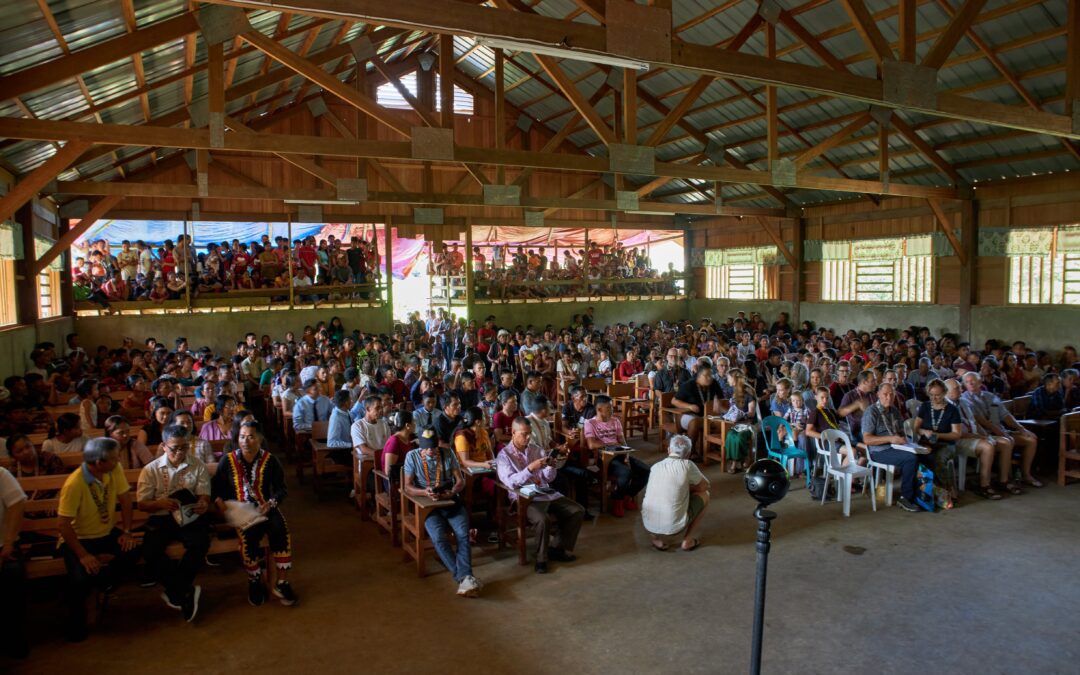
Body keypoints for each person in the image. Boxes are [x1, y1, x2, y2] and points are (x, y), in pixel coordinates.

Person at [56, 437, 139, 642]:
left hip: (106, 532)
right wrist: (83, 555)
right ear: (99, 463)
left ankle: (103, 583)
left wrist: (127, 532)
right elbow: (63, 526)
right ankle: (75, 623)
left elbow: (125, 499)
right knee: (80, 579)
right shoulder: (75, 483)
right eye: (113, 458)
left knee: (133, 551)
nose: (118, 460)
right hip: (78, 538)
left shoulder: (113, 469)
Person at [211, 421, 297, 607]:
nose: (246, 441)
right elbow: (216, 488)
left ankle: (282, 583)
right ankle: (254, 580)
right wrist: (223, 506)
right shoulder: (228, 460)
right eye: (242, 436)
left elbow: (281, 489)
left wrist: (271, 503)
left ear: (260, 439)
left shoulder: (271, 460)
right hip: (242, 511)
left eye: (251, 436)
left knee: (280, 530)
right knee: (249, 539)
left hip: (266, 508)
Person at [135, 425, 210, 622]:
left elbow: (204, 494)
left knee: (200, 542)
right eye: (174, 448)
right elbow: (142, 503)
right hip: (161, 516)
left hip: (188, 515)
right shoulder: (151, 469)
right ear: (164, 446)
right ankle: (184, 590)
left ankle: (176, 592)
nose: (179, 453)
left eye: (184, 448)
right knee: (150, 550)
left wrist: (202, 503)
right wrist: (158, 503)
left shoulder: (197, 465)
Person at [496, 417, 585, 574]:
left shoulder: (536, 449)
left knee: (577, 510)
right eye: (524, 434)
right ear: (513, 433)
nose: (528, 437)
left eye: (530, 433)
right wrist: (530, 468)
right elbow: (511, 482)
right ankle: (541, 559)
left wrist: (551, 466)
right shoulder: (504, 455)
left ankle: (557, 548)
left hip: (544, 492)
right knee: (542, 520)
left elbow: (548, 478)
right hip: (523, 498)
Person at [402, 428, 481, 597]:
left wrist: (452, 491)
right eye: (426, 447)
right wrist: (425, 492)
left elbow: (460, 481)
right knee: (438, 537)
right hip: (428, 505)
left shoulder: (447, 453)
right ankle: (464, 577)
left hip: (450, 500)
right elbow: (407, 486)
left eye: (433, 447)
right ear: (420, 445)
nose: (430, 450)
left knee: (462, 534)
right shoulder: (412, 456)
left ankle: (463, 578)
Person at [961, 371, 1042, 488]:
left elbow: (1005, 415)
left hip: (1002, 431)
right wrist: (999, 432)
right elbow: (978, 420)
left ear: (980, 382)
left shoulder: (990, 396)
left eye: (973, 381)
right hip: (986, 434)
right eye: (967, 382)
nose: (971, 384)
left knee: (1031, 439)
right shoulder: (964, 399)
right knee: (1006, 442)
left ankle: (1026, 474)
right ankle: (1003, 480)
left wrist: (1021, 428)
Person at [640, 434, 709, 552]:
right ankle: (688, 540)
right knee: (705, 495)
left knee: (653, 497)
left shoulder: (655, 467)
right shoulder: (687, 465)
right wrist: (686, 487)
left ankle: (655, 539)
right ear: (688, 454)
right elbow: (705, 486)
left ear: (669, 450)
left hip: (648, 524)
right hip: (674, 526)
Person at [584, 395, 649, 517]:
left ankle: (626, 495)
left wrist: (627, 456)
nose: (612, 410)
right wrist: (610, 443)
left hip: (620, 454)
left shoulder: (615, 421)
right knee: (626, 472)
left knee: (646, 470)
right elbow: (591, 445)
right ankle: (617, 499)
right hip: (604, 458)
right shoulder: (590, 423)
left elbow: (623, 442)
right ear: (599, 409)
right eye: (608, 408)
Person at [944, 379, 1007, 500]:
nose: (961, 390)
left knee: (1005, 442)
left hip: (974, 435)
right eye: (957, 389)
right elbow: (955, 432)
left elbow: (974, 422)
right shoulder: (944, 406)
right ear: (947, 391)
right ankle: (984, 485)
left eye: (960, 387)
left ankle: (1003, 481)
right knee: (987, 447)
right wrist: (980, 437)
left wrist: (985, 435)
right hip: (959, 439)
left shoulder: (962, 401)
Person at [912, 379, 960, 498]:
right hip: (926, 441)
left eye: (937, 395)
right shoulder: (925, 406)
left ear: (944, 393)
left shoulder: (952, 410)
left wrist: (939, 435)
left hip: (946, 444)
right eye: (931, 395)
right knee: (912, 458)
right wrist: (924, 431)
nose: (934, 398)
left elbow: (956, 434)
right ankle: (922, 490)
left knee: (938, 458)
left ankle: (945, 489)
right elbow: (916, 427)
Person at [0, 466, 28, 658]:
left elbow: (17, 504)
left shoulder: (0, 474)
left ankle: (14, 641)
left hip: (3, 547)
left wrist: (8, 543)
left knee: (12, 574)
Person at [671, 365, 725, 458]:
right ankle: (691, 451)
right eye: (706, 376)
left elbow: (720, 398)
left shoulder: (714, 383)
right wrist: (690, 406)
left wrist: (718, 402)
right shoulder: (688, 385)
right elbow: (674, 401)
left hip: (708, 416)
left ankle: (717, 448)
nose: (709, 378)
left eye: (711, 375)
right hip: (688, 415)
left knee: (723, 424)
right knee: (695, 422)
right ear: (699, 376)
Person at [326, 389, 354, 466]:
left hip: (350, 449)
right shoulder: (336, 417)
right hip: (341, 452)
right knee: (361, 461)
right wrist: (351, 445)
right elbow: (331, 443)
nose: (351, 401)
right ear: (345, 403)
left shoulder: (347, 412)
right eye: (350, 399)